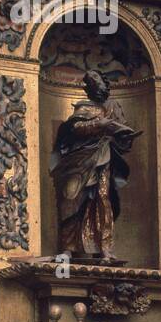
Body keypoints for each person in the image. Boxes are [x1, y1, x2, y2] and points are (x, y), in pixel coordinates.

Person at [50, 69, 140, 260]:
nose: (94, 83)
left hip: (103, 159)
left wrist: (122, 135)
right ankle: (67, 246)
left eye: (96, 79)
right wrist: (99, 125)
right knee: (71, 197)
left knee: (101, 200)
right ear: (87, 88)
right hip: (79, 159)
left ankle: (104, 248)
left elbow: (121, 131)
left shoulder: (113, 106)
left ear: (104, 82)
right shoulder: (83, 106)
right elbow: (74, 129)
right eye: (90, 81)